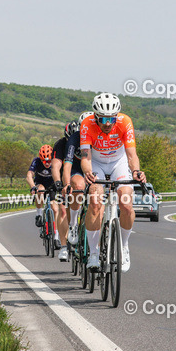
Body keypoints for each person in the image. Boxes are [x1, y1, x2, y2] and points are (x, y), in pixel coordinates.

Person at [79, 93, 146, 272]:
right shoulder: (87, 125)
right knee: (94, 201)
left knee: (126, 203)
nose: (107, 123)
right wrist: (87, 172)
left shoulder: (125, 122)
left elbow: (131, 155)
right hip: (97, 163)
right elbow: (85, 157)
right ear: (95, 116)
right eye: (103, 119)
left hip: (119, 162)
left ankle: (123, 246)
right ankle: (93, 253)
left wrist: (136, 172)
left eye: (111, 118)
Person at [51, 120, 84, 261]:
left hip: (84, 175)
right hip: (67, 177)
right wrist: (58, 182)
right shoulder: (61, 144)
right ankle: (64, 247)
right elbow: (56, 166)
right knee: (63, 209)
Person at [26, 146, 60, 246]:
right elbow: (29, 175)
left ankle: (57, 237)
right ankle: (39, 214)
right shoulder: (36, 161)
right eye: (44, 161)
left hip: (52, 185)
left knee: (55, 209)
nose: (47, 163)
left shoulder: (55, 161)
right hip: (40, 183)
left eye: (49, 161)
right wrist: (32, 186)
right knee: (40, 190)